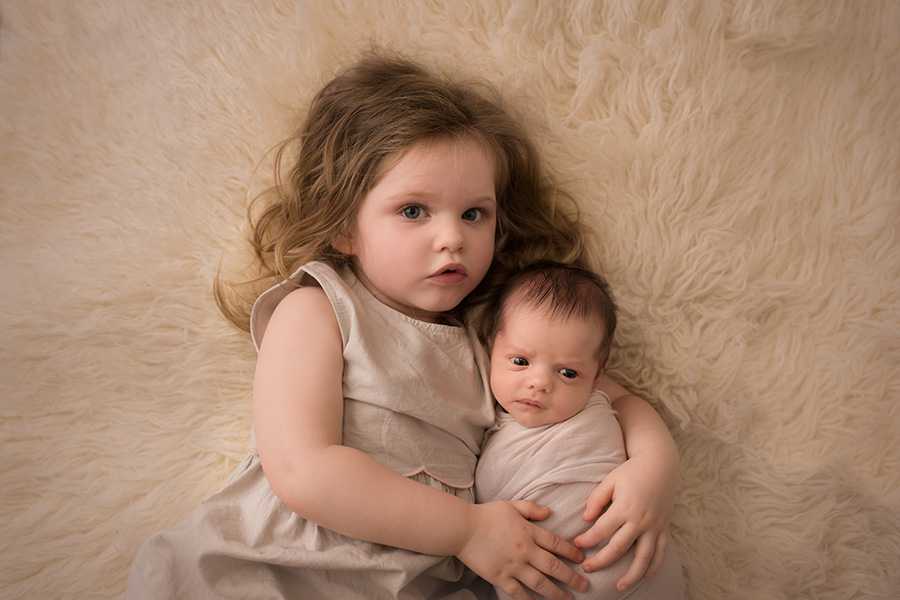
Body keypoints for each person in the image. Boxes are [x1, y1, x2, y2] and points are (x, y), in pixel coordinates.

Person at [126, 51, 679, 600]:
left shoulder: (495, 346)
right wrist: (467, 529)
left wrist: (654, 470)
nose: (452, 237)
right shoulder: (320, 308)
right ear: (344, 226)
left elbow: (614, 398)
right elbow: (303, 469)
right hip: (262, 570)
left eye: (473, 214)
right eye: (414, 211)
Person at [474, 262, 684, 599]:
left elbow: (631, 403)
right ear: (489, 349)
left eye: (568, 373)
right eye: (520, 361)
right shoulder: (473, 398)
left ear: (596, 377)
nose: (539, 382)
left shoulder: (592, 399)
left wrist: (656, 464)